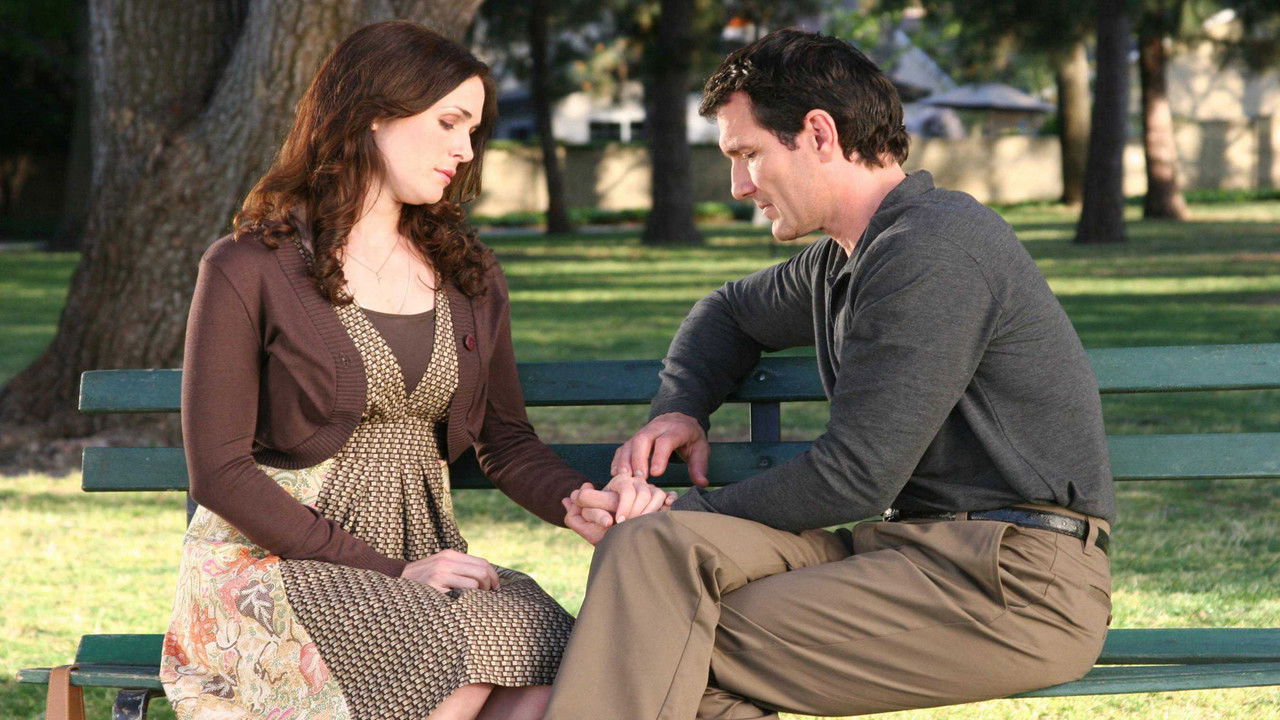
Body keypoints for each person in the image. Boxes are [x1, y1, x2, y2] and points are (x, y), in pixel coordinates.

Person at [552, 29, 1116, 719]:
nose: (738, 186)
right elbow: (726, 312)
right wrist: (681, 408)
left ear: (818, 134)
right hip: (911, 555)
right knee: (648, 557)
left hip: (1015, 585)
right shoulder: (846, 259)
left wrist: (675, 510)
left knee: (654, 629)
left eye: (748, 154)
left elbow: (856, 475)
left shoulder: (932, 250)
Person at [158, 21, 668, 720]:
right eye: (448, 122)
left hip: (426, 557)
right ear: (373, 114)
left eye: (473, 130)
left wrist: (575, 499)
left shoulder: (467, 272)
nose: (465, 150)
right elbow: (219, 472)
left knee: (553, 651)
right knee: (443, 649)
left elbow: (504, 438)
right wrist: (392, 572)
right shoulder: (249, 266)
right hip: (274, 564)